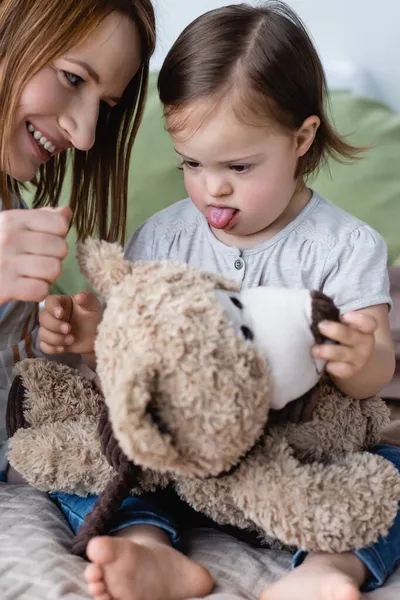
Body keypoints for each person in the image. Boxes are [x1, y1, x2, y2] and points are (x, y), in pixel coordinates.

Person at [39, 2, 400, 600]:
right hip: (180, 465)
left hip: (297, 471)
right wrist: (90, 336)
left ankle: (330, 567)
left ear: (301, 138)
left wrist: (361, 359)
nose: (214, 188)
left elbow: (374, 374)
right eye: (192, 164)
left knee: (390, 476)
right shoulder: (165, 236)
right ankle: (150, 548)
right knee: (84, 456)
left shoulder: (345, 246)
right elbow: (135, 356)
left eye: (238, 165)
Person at [0, 2, 213, 600]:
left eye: (106, 107)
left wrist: (70, 338)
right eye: (73, 78)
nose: (86, 134)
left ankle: (148, 546)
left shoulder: (12, 199)